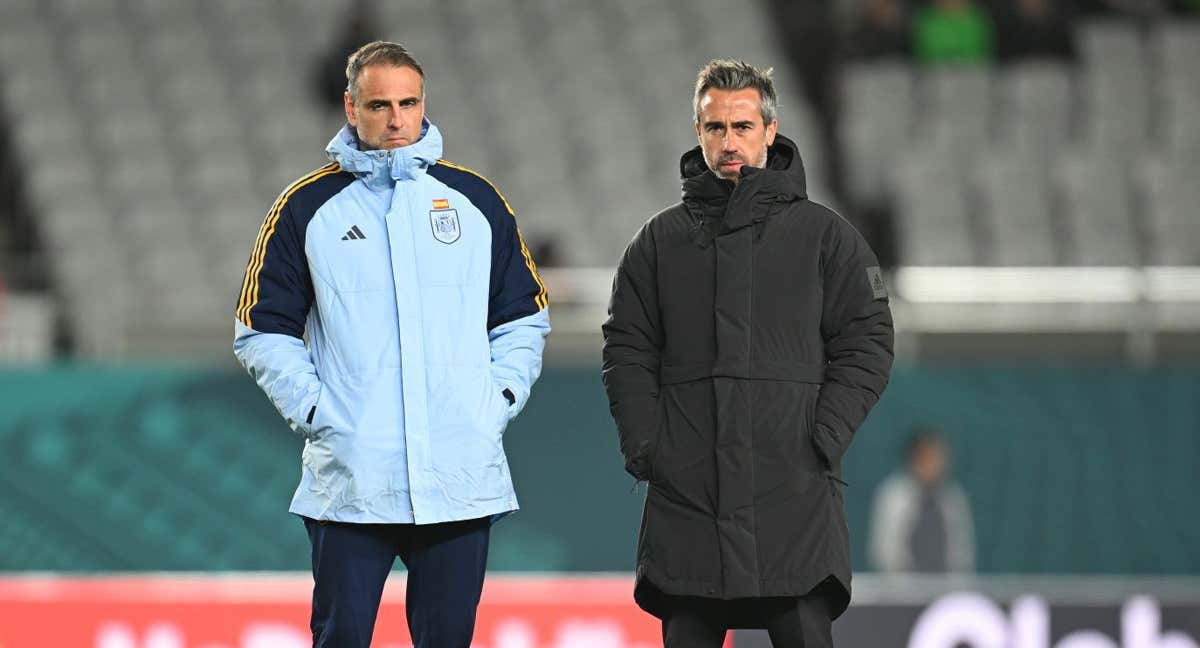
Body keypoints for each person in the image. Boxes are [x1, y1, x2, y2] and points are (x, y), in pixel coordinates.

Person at [232, 41, 550, 648]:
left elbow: (524, 317)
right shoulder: (306, 208)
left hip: (458, 474)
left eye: (409, 103)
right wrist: (321, 413)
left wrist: (495, 400)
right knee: (342, 639)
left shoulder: (476, 201)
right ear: (351, 108)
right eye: (380, 105)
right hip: (354, 479)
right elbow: (261, 327)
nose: (398, 119)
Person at [601, 59, 895, 648]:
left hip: (795, 493)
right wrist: (650, 447)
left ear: (769, 129)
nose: (728, 141)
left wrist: (822, 435)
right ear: (699, 132)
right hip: (689, 496)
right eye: (715, 128)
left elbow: (869, 340)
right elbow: (626, 349)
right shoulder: (657, 243)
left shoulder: (827, 237)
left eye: (741, 126)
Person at [868, 428, 976, 573]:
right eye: (929, 457)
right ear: (914, 458)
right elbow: (884, 551)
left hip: (947, 589)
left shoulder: (953, 498)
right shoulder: (893, 495)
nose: (936, 464)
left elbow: (962, 552)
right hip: (902, 590)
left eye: (940, 457)